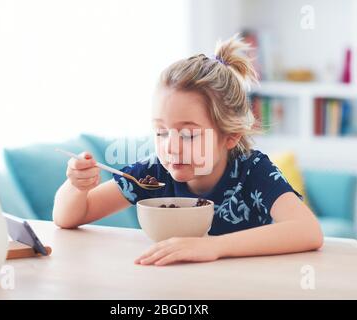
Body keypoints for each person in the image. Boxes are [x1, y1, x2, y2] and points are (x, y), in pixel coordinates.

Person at [53, 35, 323, 266]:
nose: (170, 146)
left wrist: (213, 247)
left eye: (189, 134)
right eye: (161, 132)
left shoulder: (253, 170)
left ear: (230, 136)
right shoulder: (153, 173)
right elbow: (68, 218)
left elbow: (308, 231)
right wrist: (77, 187)